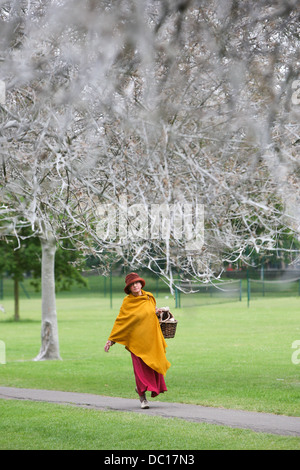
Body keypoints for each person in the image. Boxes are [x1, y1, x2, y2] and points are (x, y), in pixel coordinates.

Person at [104, 272, 171, 409]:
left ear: (141, 284)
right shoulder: (127, 302)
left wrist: (159, 312)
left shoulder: (149, 297)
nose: (135, 286)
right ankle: (143, 398)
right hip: (136, 343)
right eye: (132, 284)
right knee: (140, 371)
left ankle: (144, 389)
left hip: (152, 340)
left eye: (137, 283)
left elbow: (152, 314)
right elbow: (121, 322)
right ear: (129, 288)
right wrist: (111, 340)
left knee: (153, 367)